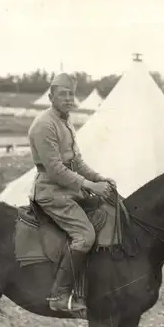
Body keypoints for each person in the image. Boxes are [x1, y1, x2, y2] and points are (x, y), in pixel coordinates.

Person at [28, 73, 116, 314]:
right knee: (85, 236)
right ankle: (59, 295)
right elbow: (55, 170)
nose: (68, 98)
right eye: (63, 94)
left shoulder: (66, 122)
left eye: (71, 94)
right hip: (51, 190)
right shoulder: (44, 125)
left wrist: (99, 178)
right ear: (51, 96)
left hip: (68, 188)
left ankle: (88, 287)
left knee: (105, 211)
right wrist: (89, 185)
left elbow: (77, 162)